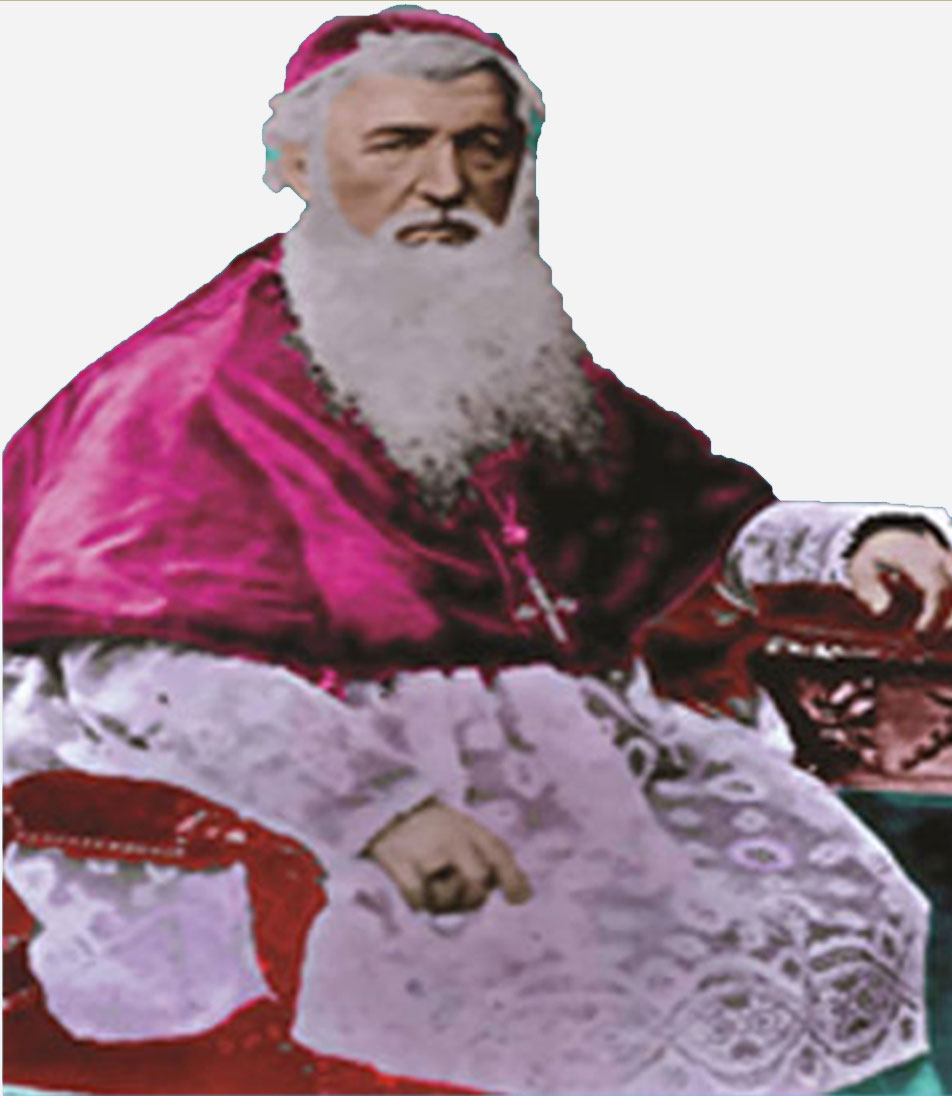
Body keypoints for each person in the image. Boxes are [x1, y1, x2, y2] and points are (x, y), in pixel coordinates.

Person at [4, 8, 951, 1095]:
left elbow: (677, 511)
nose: (447, 184)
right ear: (299, 165)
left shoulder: (496, 342)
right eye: (399, 145)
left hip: (579, 762)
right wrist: (379, 811)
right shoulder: (189, 385)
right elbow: (135, 672)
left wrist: (855, 543)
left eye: (484, 148)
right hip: (310, 785)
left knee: (853, 912)